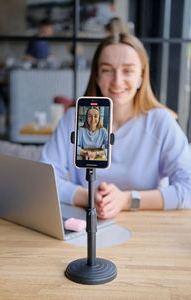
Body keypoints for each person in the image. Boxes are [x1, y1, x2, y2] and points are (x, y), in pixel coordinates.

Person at [40, 32, 191, 219]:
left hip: (147, 229)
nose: (117, 81)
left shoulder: (161, 122)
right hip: (87, 223)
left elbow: (188, 188)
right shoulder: (73, 119)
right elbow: (43, 180)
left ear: (142, 76)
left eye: (128, 70)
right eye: (107, 70)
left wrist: (127, 200)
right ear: (96, 76)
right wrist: (88, 197)